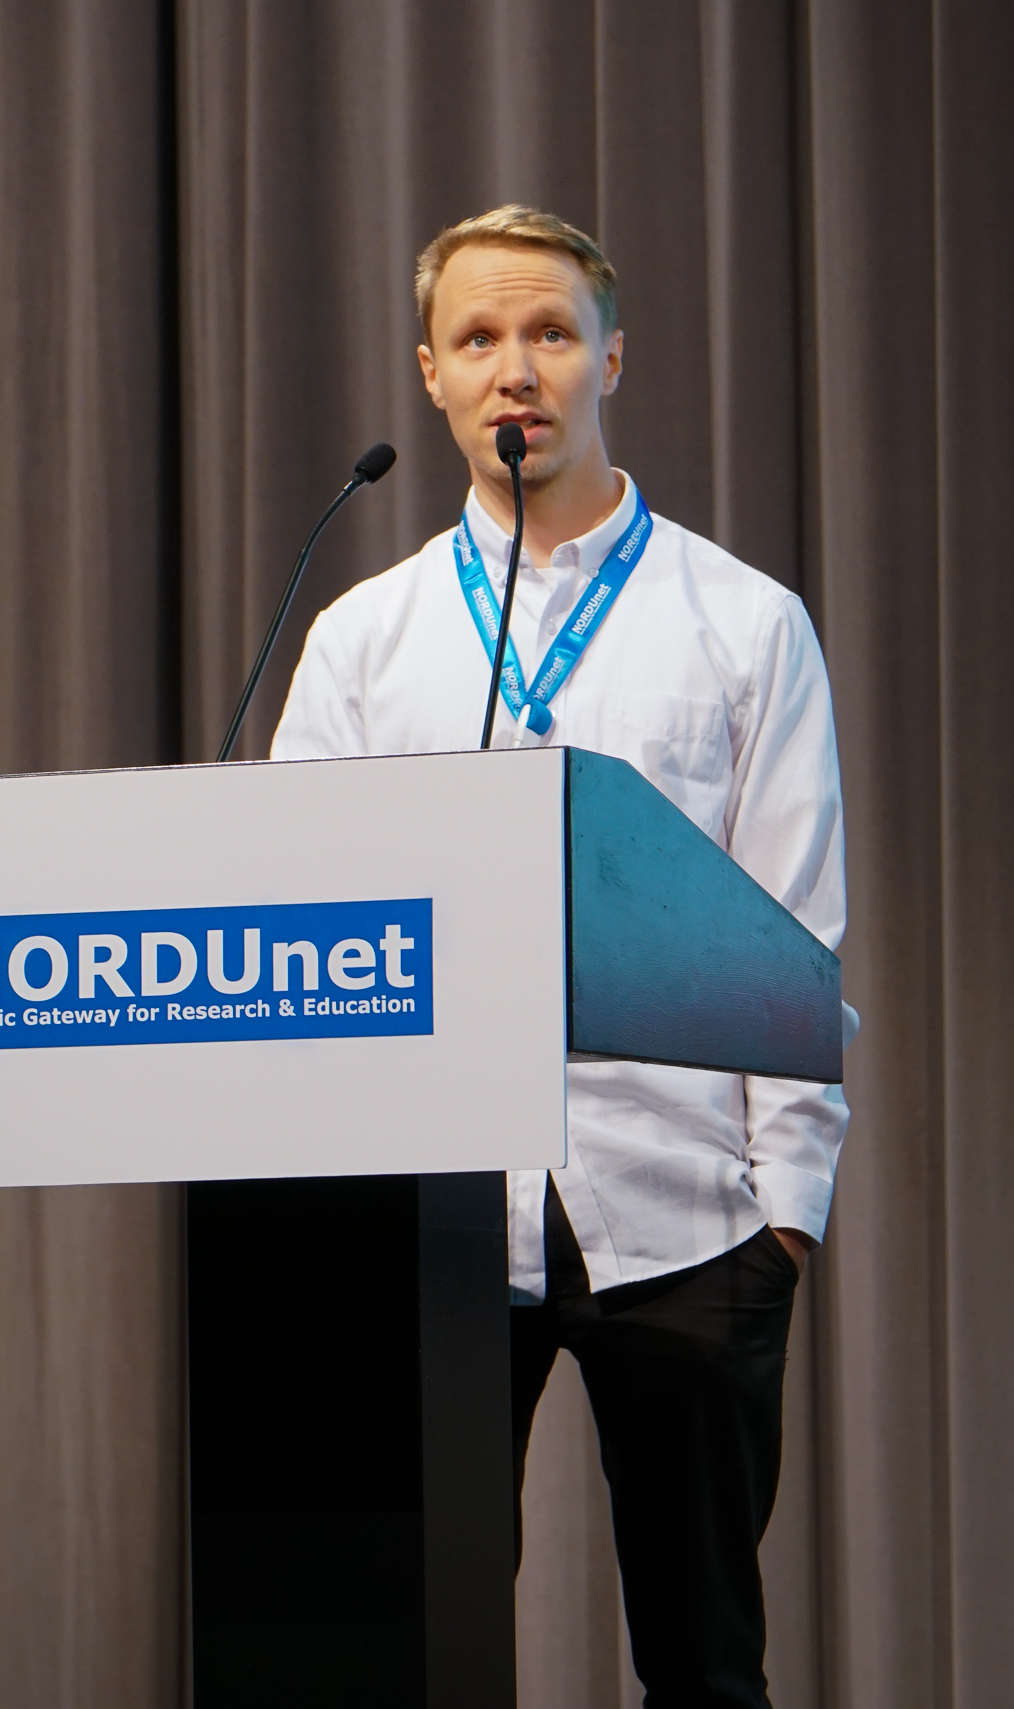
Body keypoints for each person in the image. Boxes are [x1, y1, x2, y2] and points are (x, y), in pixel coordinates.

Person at [270, 205, 851, 1709]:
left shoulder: (744, 624)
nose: (514, 368)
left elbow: (797, 925)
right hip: (430, 1223)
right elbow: (290, 926)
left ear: (611, 357)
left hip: (686, 1216)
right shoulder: (364, 639)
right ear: (431, 376)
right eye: (477, 338)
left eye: (547, 333)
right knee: (414, 1650)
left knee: (705, 1662)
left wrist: (784, 1214)